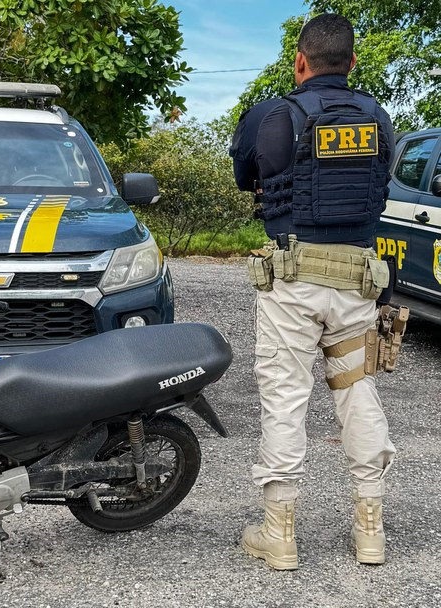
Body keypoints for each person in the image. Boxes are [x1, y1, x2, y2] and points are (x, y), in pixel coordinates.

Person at [229, 13, 396, 570]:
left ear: (300, 61)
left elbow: (244, 176)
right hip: (357, 283)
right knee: (358, 395)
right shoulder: (379, 118)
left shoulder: (272, 115)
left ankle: (280, 535)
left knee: (285, 399)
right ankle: (369, 530)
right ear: (351, 62)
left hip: (293, 284)